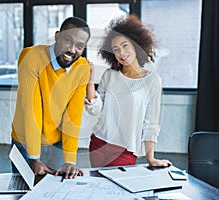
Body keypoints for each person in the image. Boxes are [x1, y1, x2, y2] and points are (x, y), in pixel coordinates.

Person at [85, 14, 172, 168]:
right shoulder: (109, 75)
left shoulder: (152, 80)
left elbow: (151, 123)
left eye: (125, 45)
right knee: (98, 190)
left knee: (119, 191)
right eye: (116, 49)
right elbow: (96, 109)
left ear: (136, 45)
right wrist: (90, 82)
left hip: (125, 149)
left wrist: (151, 159)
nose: (121, 53)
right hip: (98, 143)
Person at [11, 17, 91, 179]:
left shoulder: (82, 68)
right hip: (26, 142)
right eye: (68, 40)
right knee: (23, 192)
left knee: (56, 191)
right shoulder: (31, 57)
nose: (72, 50)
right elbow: (31, 108)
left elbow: (72, 116)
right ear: (57, 36)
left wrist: (70, 160)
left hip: (57, 144)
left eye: (80, 46)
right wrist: (33, 157)